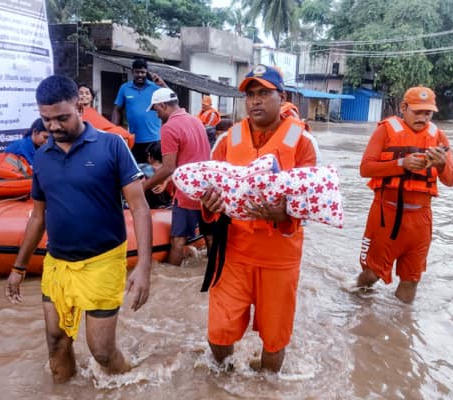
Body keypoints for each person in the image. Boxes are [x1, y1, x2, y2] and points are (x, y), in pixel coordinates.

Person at [4, 75, 152, 383]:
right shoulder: (43, 156)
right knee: (56, 343)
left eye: (62, 118)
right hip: (58, 265)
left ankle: (135, 384)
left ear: (80, 106)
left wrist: (144, 268)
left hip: (103, 263)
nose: (54, 127)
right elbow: (37, 216)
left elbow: (139, 207)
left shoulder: (111, 146)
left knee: (101, 351)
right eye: (46, 120)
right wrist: (18, 267)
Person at [199, 64, 320, 372]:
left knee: (274, 341)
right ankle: (226, 383)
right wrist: (209, 206)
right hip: (233, 253)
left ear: (282, 97)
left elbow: (311, 203)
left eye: (264, 93)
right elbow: (208, 189)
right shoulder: (227, 140)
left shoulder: (303, 143)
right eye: (250, 95)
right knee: (218, 335)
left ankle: (265, 388)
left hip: (279, 256)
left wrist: (284, 212)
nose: (255, 101)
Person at [356, 86, 453, 304]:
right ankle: (355, 305)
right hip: (386, 214)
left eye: (428, 113)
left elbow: (452, 180)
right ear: (404, 108)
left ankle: (401, 329)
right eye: (417, 112)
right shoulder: (385, 130)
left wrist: (442, 166)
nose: (423, 118)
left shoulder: (438, 136)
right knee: (371, 275)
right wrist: (400, 164)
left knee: (411, 280)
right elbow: (365, 168)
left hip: (421, 220)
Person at [142, 87, 211, 266]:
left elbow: (168, 167)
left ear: (163, 105)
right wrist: (167, 181)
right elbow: (192, 157)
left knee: (178, 241)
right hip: (208, 189)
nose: (156, 115)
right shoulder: (196, 121)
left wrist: (142, 187)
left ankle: (172, 279)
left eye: (156, 109)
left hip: (187, 193)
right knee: (210, 236)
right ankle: (213, 276)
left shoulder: (169, 127)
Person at [112, 58, 166, 163]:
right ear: (132, 72)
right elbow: (117, 110)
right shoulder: (124, 88)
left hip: (155, 139)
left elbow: (172, 99)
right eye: (137, 72)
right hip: (134, 140)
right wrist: (114, 130)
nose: (140, 75)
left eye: (143, 72)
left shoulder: (155, 88)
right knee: (137, 171)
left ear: (146, 73)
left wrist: (163, 84)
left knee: (154, 170)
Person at [78, 82, 135, 148]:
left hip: (99, 137)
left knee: (124, 135)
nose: (84, 95)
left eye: (87, 93)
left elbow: (104, 126)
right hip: (86, 140)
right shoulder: (75, 112)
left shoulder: (93, 112)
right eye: (81, 93)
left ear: (91, 98)